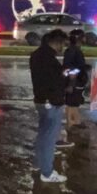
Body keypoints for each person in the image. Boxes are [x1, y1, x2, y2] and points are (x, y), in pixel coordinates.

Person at [30, 29, 71, 184]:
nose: (63, 48)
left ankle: (37, 164)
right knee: (49, 138)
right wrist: (65, 75)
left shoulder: (37, 55)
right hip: (52, 102)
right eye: (63, 44)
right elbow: (55, 81)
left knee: (42, 134)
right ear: (57, 42)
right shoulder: (48, 58)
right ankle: (47, 173)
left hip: (41, 100)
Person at [63, 29, 89, 127]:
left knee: (74, 103)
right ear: (79, 39)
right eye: (83, 36)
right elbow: (71, 68)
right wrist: (71, 84)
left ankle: (76, 121)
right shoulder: (73, 51)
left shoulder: (73, 50)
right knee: (72, 103)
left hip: (76, 81)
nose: (85, 38)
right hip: (75, 82)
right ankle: (71, 124)